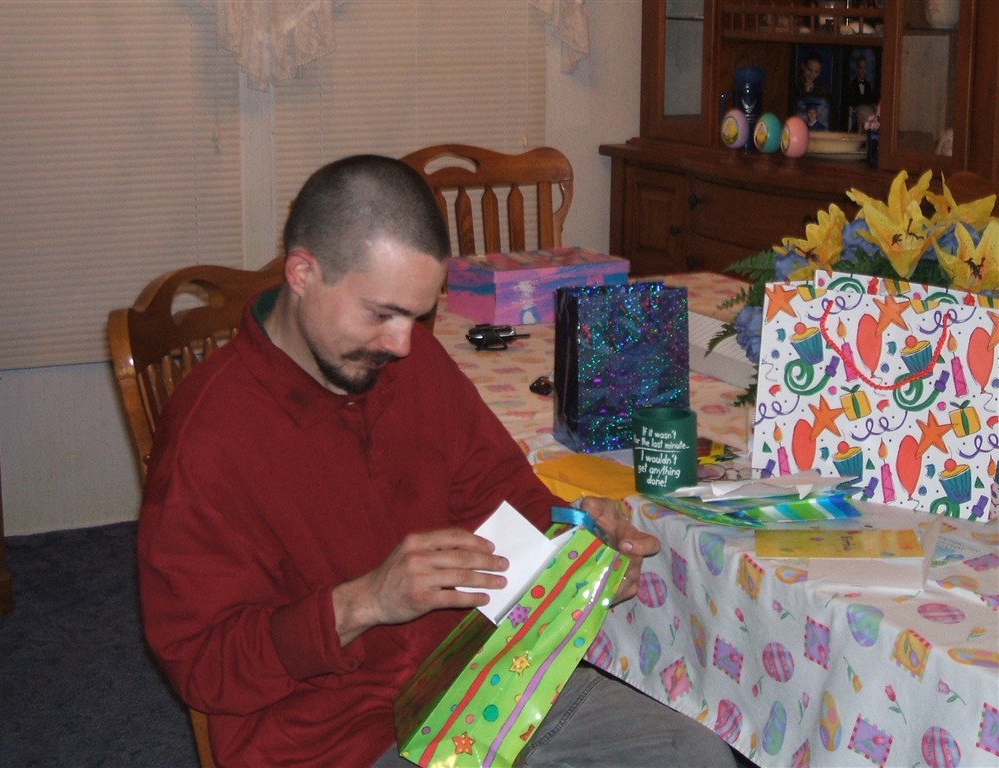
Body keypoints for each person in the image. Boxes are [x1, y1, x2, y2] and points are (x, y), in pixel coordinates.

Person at [137, 155, 739, 768]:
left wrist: (579, 542)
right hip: (332, 736)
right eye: (382, 314)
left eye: (418, 315)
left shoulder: (412, 362)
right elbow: (203, 665)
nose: (403, 344)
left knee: (694, 755)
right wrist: (365, 602)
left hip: (487, 683)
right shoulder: (209, 434)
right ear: (303, 273)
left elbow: (501, 494)